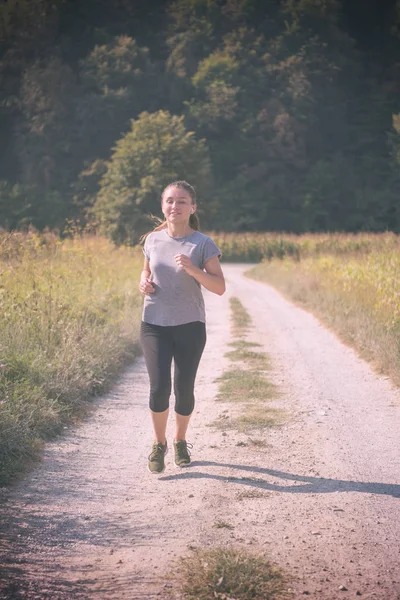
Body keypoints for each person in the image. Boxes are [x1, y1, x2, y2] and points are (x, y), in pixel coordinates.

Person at [139, 180, 225, 474]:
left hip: (190, 325)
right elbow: (147, 270)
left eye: (181, 201)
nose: (174, 207)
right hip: (154, 323)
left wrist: (193, 269)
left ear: (192, 207)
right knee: (159, 388)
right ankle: (158, 444)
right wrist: (143, 282)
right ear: (163, 206)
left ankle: (179, 441)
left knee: (183, 389)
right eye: (170, 201)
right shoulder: (152, 240)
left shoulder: (203, 243)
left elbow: (219, 287)